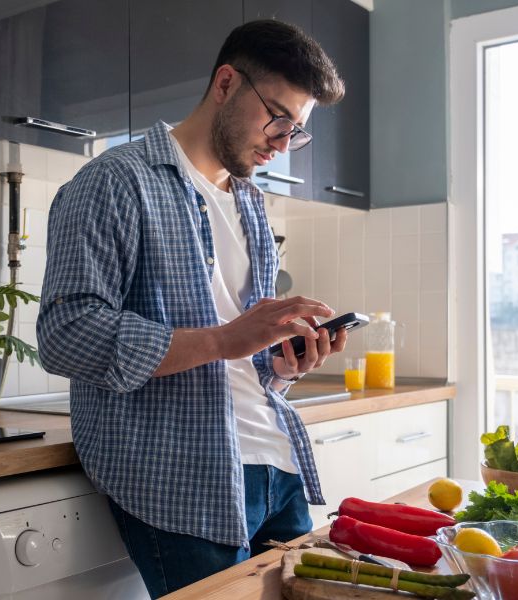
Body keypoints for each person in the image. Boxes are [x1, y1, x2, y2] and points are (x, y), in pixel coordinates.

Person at [37, 19, 347, 598]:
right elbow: (66, 334)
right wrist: (226, 340)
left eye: (296, 131)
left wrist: (279, 366)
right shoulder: (113, 182)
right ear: (226, 83)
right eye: (278, 118)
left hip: (275, 466)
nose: (283, 142)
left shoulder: (251, 204)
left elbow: (240, 354)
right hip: (185, 478)